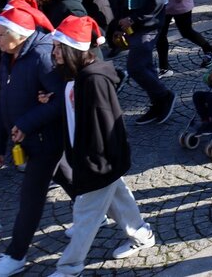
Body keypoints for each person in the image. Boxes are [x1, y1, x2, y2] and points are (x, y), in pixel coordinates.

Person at [48, 15, 157, 275]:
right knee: (118, 198)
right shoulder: (75, 78)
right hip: (95, 160)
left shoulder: (94, 81)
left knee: (85, 216)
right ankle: (142, 234)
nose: (54, 52)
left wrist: (95, 163)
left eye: (58, 47)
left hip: (99, 162)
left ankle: (69, 266)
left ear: (73, 49)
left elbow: (106, 127)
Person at [0, 3, 69, 277]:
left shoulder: (42, 55)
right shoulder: (7, 54)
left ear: (20, 35)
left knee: (30, 197)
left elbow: (62, 100)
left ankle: (16, 255)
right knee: (70, 179)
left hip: (46, 139)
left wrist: (26, 123)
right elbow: (3, 97)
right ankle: (99, 214)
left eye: (0, 34)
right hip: (26, 139)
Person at [98, 0, 176, 126]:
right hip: (132, 26)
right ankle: (158, 102)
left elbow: (158, 1)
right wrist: (118, 25)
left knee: (135, 67)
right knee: (145, 66)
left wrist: (134, 20)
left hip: (148, 26)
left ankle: (164, 96)